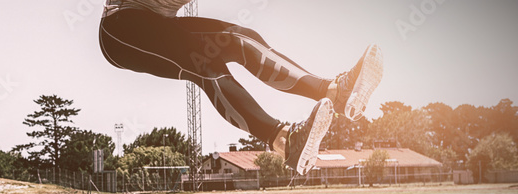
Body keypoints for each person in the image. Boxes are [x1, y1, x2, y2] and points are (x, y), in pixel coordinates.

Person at [99, 0, 383, 175]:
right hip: (122, 28)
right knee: (205, 65)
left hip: (156, 21)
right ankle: (284, 140)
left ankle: (335, 92)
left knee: (240, 38)